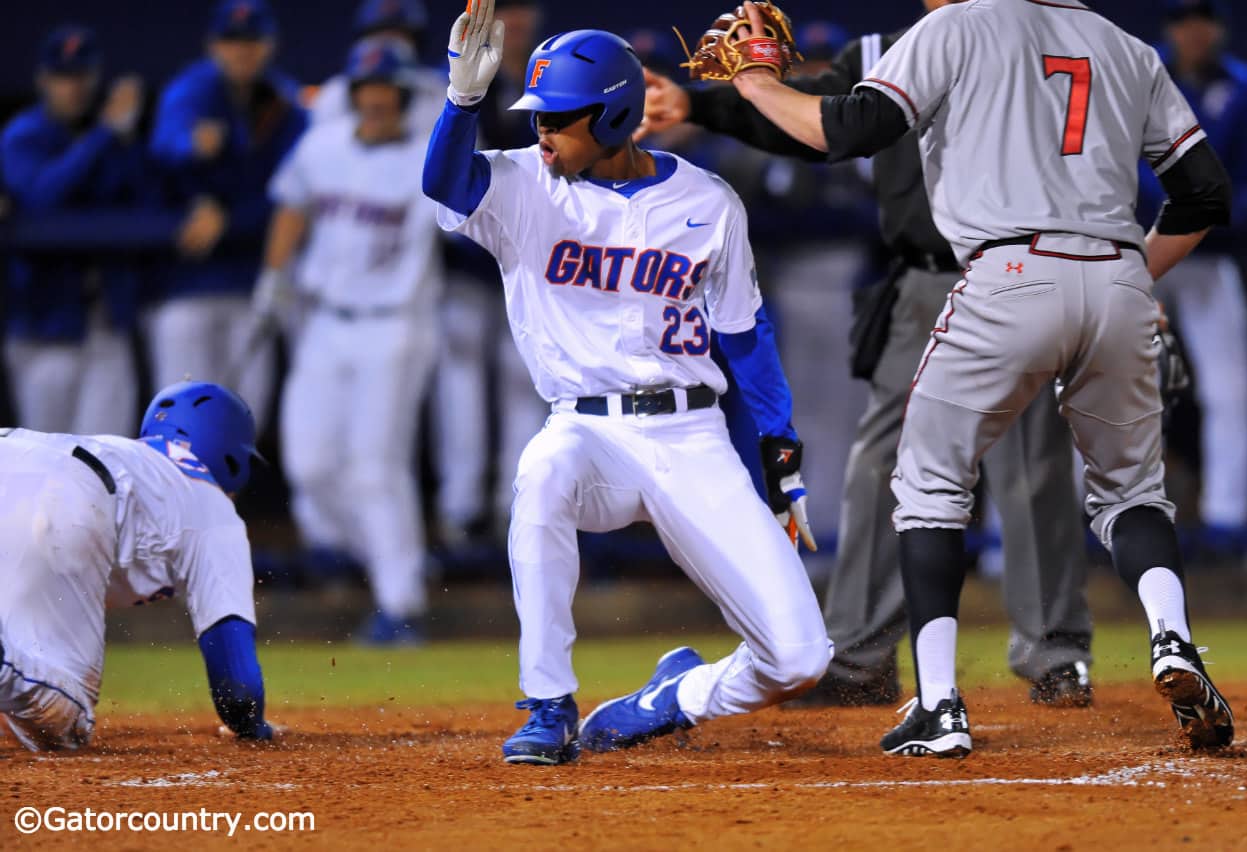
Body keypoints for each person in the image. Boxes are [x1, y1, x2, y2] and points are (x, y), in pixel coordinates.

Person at [720, 0, 1234, 756]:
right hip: (1118, 276)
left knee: (928, 484)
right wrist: (1128, 278)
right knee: (1130, 493)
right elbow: (1205, 195)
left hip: (1009, 273)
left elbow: (851, 130)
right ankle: (1174, 641)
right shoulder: (1128, 47)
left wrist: (758, 82)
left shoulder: (955, 26)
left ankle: (937, 704)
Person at [641, 0, 1094, 708]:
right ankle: (859, 657)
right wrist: (700, 103)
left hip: (1016, 270)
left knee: (1027, 465)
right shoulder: (880, 47)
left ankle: (1055, 655)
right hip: (920, 280)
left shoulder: (1027, 41)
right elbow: (818, 121)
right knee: (880, 464)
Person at [422, 2, 832, 765]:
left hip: (691, 437)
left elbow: (745, 336)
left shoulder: (707, 202)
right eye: (538, 118)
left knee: (801, 658)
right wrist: (462, 103)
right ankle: (547, 704)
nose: (541, 133)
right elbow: (445, 186)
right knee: (541, 474)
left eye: (558, 119)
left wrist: (781, 455)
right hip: (587, 434)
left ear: (612, 117)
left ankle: (670, 699)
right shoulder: (522, 187)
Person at [255, 39, 445, 645]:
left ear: (403, 98)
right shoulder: (323, 144)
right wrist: (273, 275)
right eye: (368, 91)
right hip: (324, 322)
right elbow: (292, 205)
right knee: (309, 467)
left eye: (387, 92)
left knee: (374, 469)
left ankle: (400, 602)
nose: (377, 101)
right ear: (355, 95)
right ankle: (395, 559)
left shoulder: (426, 160)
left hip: (395, 325)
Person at [0, 382, 277, 750]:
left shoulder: (127, 455)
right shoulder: (213, 508)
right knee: (62, 725)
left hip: (14, 448)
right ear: (232, 456)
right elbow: (238, 688)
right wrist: (253, 727)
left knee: (24, 714)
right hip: (70, 492)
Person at [1139, 0, 1247, 548]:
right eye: (1181, 18)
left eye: (1201, 18)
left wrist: (1224, 206)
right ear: (1169, 26)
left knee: (1230, 391)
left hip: (1211, 258)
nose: (1192, 30)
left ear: (1219, 26)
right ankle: (1103, 530)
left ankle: (1228, 534)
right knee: (1120, 396)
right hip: (1140, 254)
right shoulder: (1141, 72)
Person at [148, 0, 307, 423]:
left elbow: (297, 188)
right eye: (232, 41)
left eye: (251, 41)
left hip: (249, 285)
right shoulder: (192, 89)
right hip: (185, 283)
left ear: (269, 46)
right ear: (213, 46)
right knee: (180, 420)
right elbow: (164, 146)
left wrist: (228, 216)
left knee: (241, 420)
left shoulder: (284, 102)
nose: (241, 51)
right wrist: (191, 148)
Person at [431, 0, 548, 548]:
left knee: (525, 384)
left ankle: (512, 505)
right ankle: (459, 510)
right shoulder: (458, 79)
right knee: (460, 388)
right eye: (510, 13)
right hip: (467, 264)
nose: (517, 24)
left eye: (524, 15)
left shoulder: (547, 81)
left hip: (529, 261)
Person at [1, 26, 146, 436]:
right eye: (64, 77)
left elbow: (145, 197)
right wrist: (104, 135)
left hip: (105, 323)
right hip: (44, 327)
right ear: (44, 80)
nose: (74, 87)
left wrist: (120, 137)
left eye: (82, 75)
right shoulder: (23, 135)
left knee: (108, 460)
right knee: (48, 461)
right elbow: (43, 198)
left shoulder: (117, 140)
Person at [308, 0, 448, 136]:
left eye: (398, 35)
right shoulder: (335, 91)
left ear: (416, 41)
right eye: (380, 34)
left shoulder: (436, 90)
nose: (388, 42)